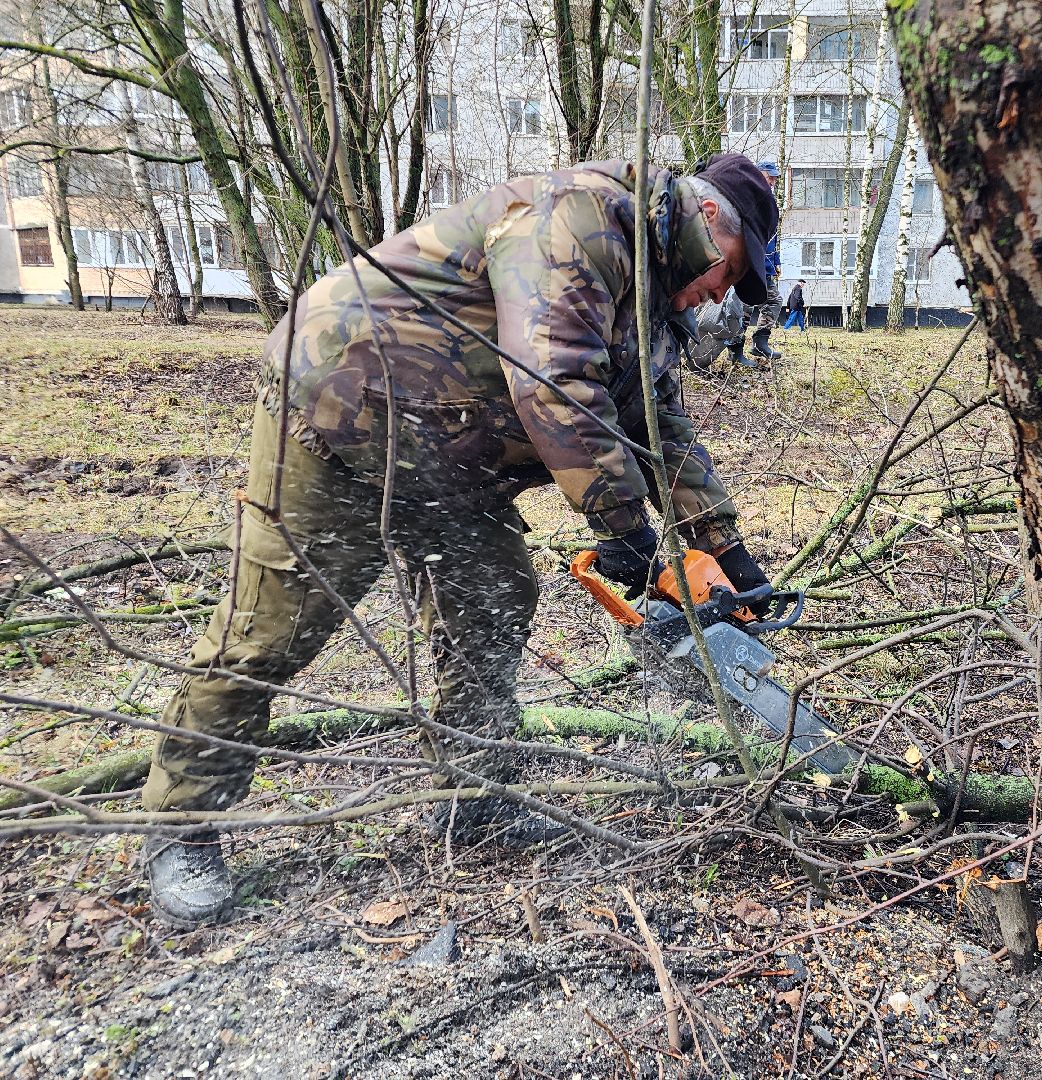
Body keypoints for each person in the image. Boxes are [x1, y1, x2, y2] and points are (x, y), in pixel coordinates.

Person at [140, 154, 780, 925]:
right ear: (711, 222)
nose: (720, 295)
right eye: (729, 276)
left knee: (496, 594)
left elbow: (659, 423)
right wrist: (625, 530)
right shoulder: (580, 217)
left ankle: (474, 797)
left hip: (451, 459)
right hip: (345, 415)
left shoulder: (652, 303)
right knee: (272, 631)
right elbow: (552, 377)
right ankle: (180, 825)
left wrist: (724, 546)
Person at [741, 160, 784, 364]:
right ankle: (735, 348)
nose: (774, 180)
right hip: (749, 263)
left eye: (775, 177)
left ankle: (760, 343)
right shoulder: (750, 197)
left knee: (774, 300)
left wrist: (776, 260)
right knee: (745, 305)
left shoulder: (769, 199)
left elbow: (772, 236)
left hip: (765, 265)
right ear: (759, 175)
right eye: (771, 176)